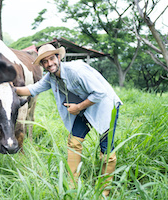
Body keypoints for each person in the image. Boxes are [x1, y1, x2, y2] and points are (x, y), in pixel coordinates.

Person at [15, 44, 122, 197]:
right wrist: (11, 89)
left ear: (58, 57)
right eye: (45, 61)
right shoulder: (51, 77)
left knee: (106, 151)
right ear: (42, 65)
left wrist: (78, 107)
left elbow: (100, 93)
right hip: (84, 107)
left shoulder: (75, 71)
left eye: (51, 58)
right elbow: (33, 89)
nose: (49, 63)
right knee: (74, 142)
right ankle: (73, 185)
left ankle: (104, 191)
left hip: (105, 106)